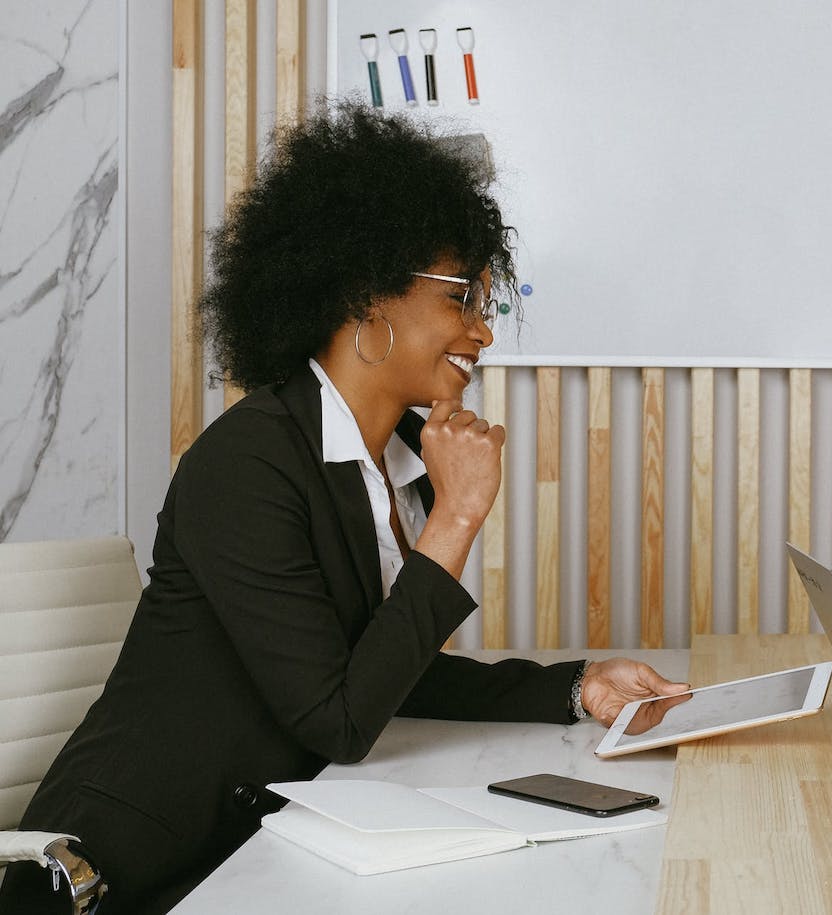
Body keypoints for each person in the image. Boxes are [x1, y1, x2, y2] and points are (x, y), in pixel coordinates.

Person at [0, 103, 687, 914]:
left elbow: (381, 675)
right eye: (462, 296)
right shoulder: (247, 462)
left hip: (268, 844)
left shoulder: (397, 462)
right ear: (367, 295)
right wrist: (456, 520)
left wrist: (576, 688)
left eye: (484, 301)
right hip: (125, 869)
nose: (482, 332)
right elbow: (339, 718)